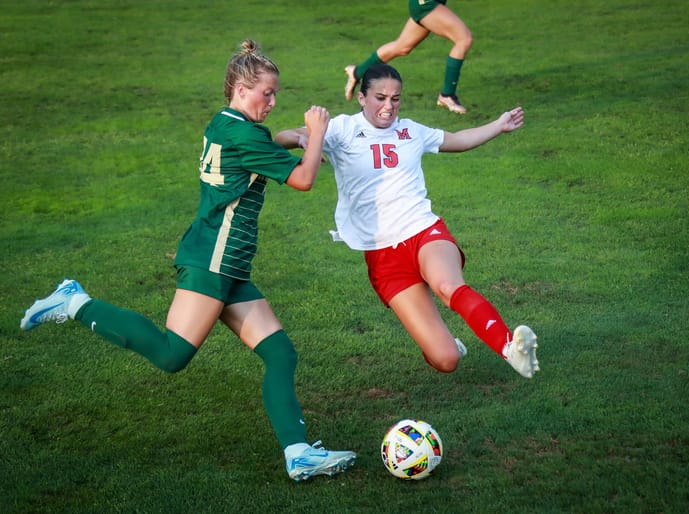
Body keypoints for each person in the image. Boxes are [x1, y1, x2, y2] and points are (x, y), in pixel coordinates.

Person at [20, 39, 356, 482]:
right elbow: (304, 178)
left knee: (280, 353)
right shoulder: (246, 132)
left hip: (227, 263)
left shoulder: (224, 123)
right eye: (266, 93)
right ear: (240, 90)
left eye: (276, 94)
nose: (273, 102)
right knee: (172, 354)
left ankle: (298, 453)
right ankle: (73, 301)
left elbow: (252, 147)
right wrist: (315, 131)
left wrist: (292, 136)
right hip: (213, 260)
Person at [277, 63, 539, 379]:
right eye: (380, 98)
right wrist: (308, 137)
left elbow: (459, 139)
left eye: (396, 99)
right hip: (383, 256)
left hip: (423, 231)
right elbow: (282, 137)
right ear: (361, 98)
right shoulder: (342, 129)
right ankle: (453, 344)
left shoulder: (411, 131)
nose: (389, 107)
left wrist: (498, 125)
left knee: (447, 285)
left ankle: (511, 348)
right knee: (445, 359)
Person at [343, 0, 473, 114]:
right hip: (426, 4)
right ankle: (447, 95)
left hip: (425, 3)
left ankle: (357, 72)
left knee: (402, 47)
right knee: (463, 39)